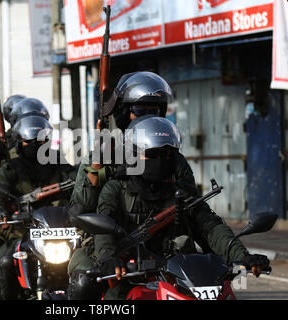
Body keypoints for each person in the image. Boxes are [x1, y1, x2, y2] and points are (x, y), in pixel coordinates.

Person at [70, 116, 270, 300]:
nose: (160, 160)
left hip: (181, 277)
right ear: (133, 155)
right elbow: (105, 227)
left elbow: (211, 228)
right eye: (151, 154)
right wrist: (109, 258)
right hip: (132, 276)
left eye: (166, 154)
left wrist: (242, 256)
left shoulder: (182, 194)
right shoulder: (115, 190)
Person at [67, 72, 198, 299]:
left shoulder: (170, 157)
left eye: (154, 111)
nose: (147, 117)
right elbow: (80, 207)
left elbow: (191, 202)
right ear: (122, 112)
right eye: (139, 111)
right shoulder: (103, 154)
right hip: (105, 241)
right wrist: (98, 163)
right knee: (84, 282)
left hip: (162, 241)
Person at [0, 114, 77, 300]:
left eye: (41, 140)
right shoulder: (10, 168)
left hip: (60, 228)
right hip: (23, 230)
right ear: (19, 143)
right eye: (30, 141)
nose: (36, 145)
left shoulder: (57, 161)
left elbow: (76, 180)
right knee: (6, 261)